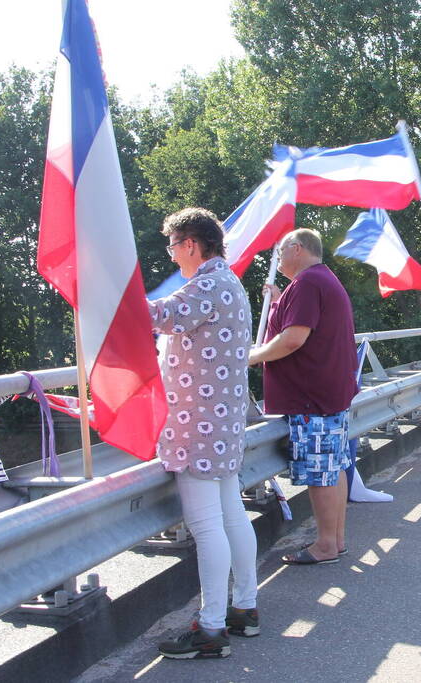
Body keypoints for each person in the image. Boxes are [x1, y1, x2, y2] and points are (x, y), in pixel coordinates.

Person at [149, 208, 258, 660]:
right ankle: (245, 609)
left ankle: (210, 629)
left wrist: (107, 295)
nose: (173, 257)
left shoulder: (207, 285)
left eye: (173, 247)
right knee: (232, 516)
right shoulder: (231, 283)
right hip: (224, 422)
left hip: (198, 425)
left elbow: (161, 316)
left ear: (191, 243)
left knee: (207, 527)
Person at [249, 228, 358, 565]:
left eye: (280, 252)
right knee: (334, 468)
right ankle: (335, 540)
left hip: (311, 398)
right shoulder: (319, 280)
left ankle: (325, 545)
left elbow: (293, 339)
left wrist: (250, 357)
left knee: (319, 473)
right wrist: (282, 299)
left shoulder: (308, 283)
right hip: (328, 394)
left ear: (297, 249)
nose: (277, 259)